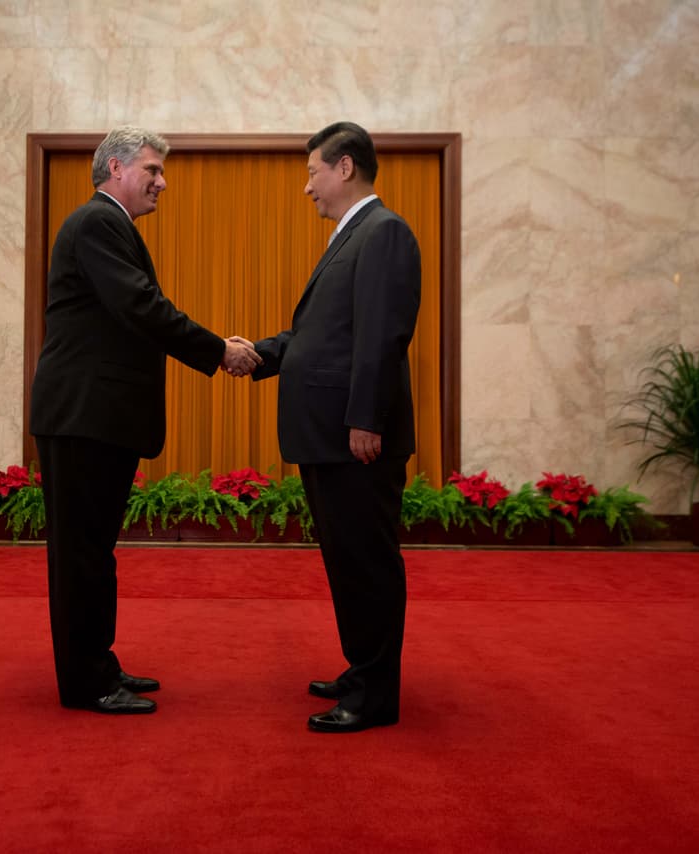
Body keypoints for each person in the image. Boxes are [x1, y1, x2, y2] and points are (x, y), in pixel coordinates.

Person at [30, 126, 261, 715]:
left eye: (161, 172)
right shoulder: (99, 223)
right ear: (115, 169)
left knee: (95, 551)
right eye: (152, 170)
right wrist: (218, 350)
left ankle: (99, 664)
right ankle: (86, 684)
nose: (162, 182)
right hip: (84, 416)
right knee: (81, 554)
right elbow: (141, 306)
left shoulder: (109, 225)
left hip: (96, 417)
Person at [246, 121, 422, 732]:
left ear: (344, 168)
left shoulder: (384, 233)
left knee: (367, 562)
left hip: (355, 439)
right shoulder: (354, 237)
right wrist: (260, 355)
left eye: (312, 172)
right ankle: (361, 669)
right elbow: (321, 338)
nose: (308, 188)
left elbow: (382, 336)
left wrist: (365, 420)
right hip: (330, 436)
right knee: (346, 561)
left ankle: (375, 695)